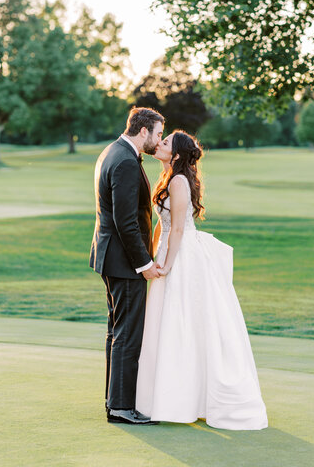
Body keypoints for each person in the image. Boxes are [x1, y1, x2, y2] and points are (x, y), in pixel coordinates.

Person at [136, 130, 268, 430]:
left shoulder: (179, 182)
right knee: (167, 323)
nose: (160, 144)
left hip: (183, 258)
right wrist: (151, 255)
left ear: (178, 154)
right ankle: (170, 397)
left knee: (184, 321)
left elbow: (179, 230)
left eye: (166, 142)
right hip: (169, 252)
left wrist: (166, 265)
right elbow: (162, 224)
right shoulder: (168, 178)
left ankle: (192, 399)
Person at [89, 107, 164, 425]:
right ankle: (121, 407)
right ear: (144, 130)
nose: (159, 139)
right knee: (128, 334)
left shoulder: (114, 151)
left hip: (112, 259)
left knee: (116, 332)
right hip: (124, 263)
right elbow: (125, 221)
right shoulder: (124, 161)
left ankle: (114, 401)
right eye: (158, 133)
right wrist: (143, 263)